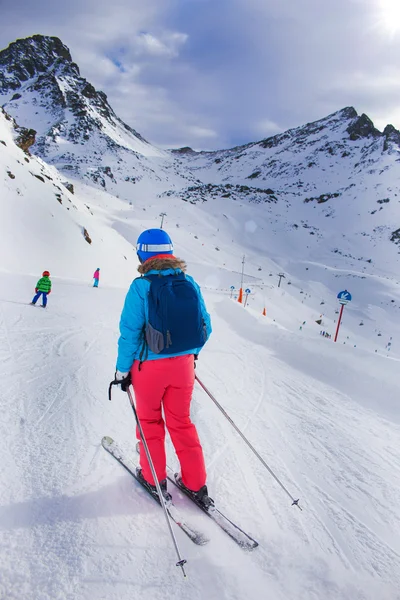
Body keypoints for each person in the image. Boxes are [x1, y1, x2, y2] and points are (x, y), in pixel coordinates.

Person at [114, 228, 212, 505]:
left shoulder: (141, 286)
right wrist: (189, 354)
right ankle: (196, 483)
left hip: (149, 370)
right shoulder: (189, 282)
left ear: (142, 254)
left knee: (149, 423)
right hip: (184, 367)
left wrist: (122, 371)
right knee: (182, 423)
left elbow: (130, 333)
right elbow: (206, 325)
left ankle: (153, 478)